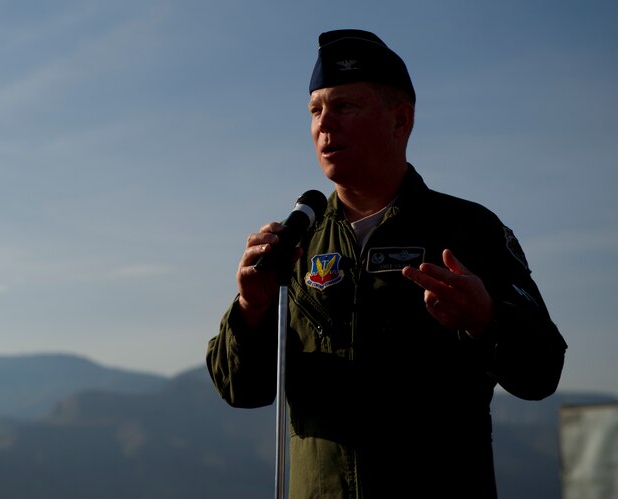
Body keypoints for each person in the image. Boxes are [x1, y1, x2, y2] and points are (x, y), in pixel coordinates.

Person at [206, 29, 567, 499]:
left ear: (401, 120)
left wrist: (487, 321)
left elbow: (543, 371)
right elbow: (242, 390)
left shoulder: (466, 229)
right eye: (315, 111)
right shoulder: (296, 244)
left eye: (345, 107)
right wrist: (250, 307)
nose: (324, 125)